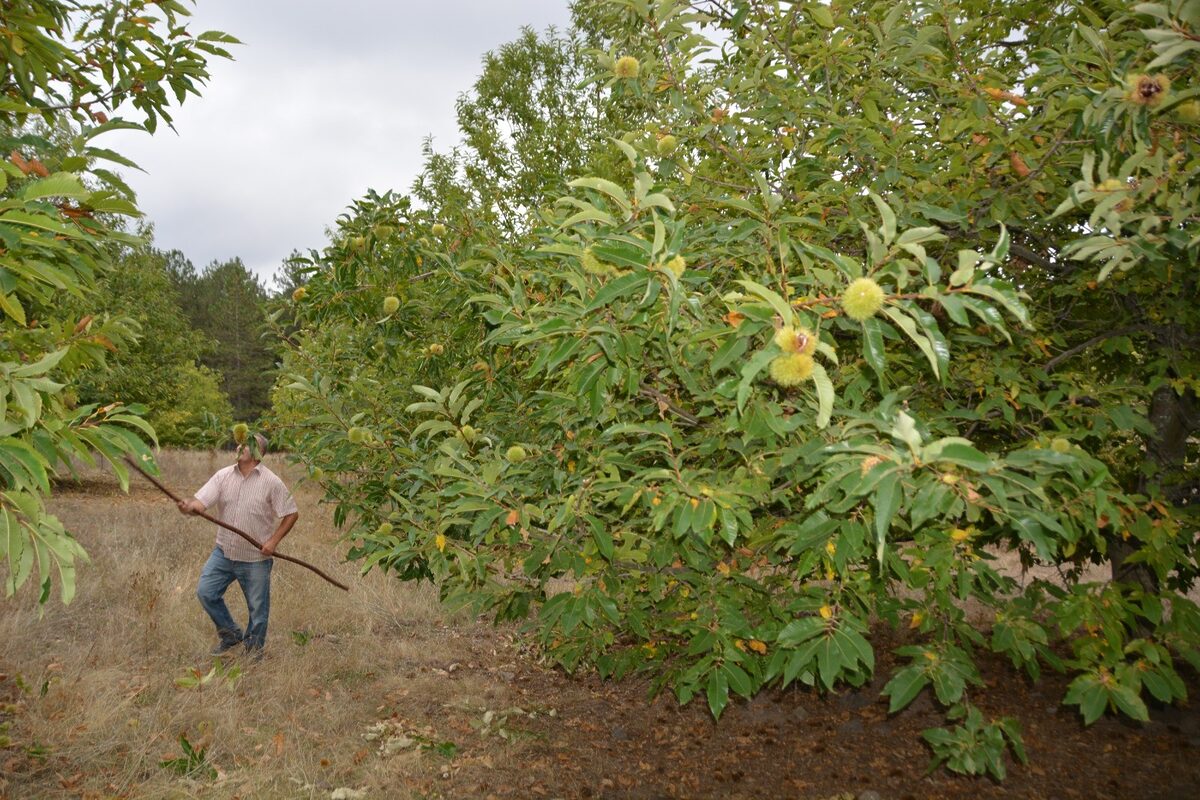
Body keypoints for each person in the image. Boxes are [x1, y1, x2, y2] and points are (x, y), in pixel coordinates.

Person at [176, 433, 299, 657]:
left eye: (248, 444)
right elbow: (200, 504)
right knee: (206, 592)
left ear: (259, 453)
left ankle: (253, 653)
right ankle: (231, 635)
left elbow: (291, 514)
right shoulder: (223, 476)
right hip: (223, 553)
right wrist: (189, 506)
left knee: (258, 611)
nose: (240, 446)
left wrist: (273, 541)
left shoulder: (272, 482)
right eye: (241, 442)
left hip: (255, 559)